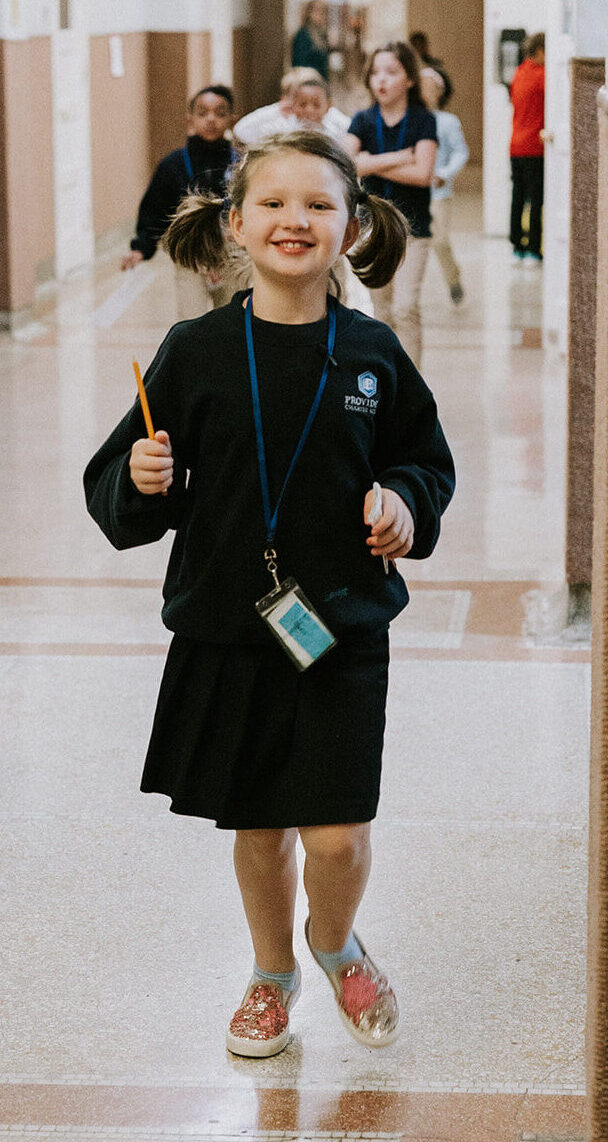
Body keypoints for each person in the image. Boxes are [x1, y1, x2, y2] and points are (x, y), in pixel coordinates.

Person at [84, 130, 455, 1059]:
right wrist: (143, 473)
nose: (297, 219)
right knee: (258, 823)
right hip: (232, 625)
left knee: (333, 834)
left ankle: (334, 944)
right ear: (238, 223)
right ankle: (271, 973)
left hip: (341, 623)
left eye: (321, 204)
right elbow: (119, 494)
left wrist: (405, 503)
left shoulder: (373, 353)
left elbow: (425, 461)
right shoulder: (196, 351)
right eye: (276, 203)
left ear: (353, 226)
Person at [345, 41, 438, 368]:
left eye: (391, 72)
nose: (381, 80)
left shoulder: (423, 120)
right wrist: (399, 157)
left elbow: (423, 174)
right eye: (375, 73)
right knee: (382, 310)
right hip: (373, 228)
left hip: (414, 229)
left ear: (409, 79)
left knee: (405, 307)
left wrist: (370, 161)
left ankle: (412, 385)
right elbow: (347, 164)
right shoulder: (363, 120)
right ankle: (388, 380)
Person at [121, 85, 237, 319]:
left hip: (231, 255)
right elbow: (154, 209)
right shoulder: (172, 165)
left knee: (231, 319)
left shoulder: (242, 163)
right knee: (190, 319)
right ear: (190, 120)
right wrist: (141, 247)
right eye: (203, 113)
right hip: (190, 253)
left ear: (232, 119)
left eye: (220, 113)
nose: (211, 119)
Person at [419, 67, 469, 304]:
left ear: (440, 91)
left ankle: (453, 280)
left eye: (430, 86)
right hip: (411, 191)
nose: (425, 91)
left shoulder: (448, 122)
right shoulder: (408, 120)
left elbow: (460, 152)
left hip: (438, 193)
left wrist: (444, 173)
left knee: (439, 240)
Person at [233, 68, 348, 147]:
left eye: (316, 103)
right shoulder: (282, 127)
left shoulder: (332, 124)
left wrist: (327, 110)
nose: (309, 109)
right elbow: (241, 130)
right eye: (302, 103)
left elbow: (351, 129)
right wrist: (275, 109)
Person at [509, 32, 545, 264]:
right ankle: (533, 248)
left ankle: (517, 246)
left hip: (515, 145)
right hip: (534, 146)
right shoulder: (543, 76)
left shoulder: (519, 73)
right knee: (535, 199)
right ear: (541, 51)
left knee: (518, 197)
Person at [409, 31, 454, 106]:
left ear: (425, 46)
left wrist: (439, 104)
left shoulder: (436, 66)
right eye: (415, 45)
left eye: (420, 45)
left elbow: (447, 89)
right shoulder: (407, 67)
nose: (418, 48)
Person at [291, 1, 330, 81]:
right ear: (309, 13)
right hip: (306, 80)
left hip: (321, 81)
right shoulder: (302, 34)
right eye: (317, 10)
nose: (321, 15)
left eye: (323, 11)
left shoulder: (322, 34)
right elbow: (299, 62)